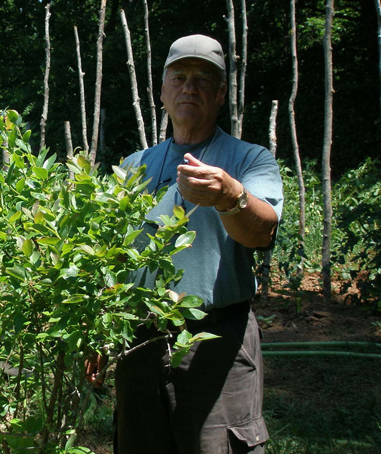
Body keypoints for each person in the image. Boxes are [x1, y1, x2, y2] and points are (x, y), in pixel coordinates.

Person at [114, 34, 283, 453]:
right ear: (162, 90)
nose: (190, 87)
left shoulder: (248, 159)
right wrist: (103, 332)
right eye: (180, 77)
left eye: (204, 79)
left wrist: (231, 197)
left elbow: (262, 232)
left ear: (221, 94)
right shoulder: (134, 166)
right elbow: (114, 256)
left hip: (216, 344)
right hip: (138, 343)